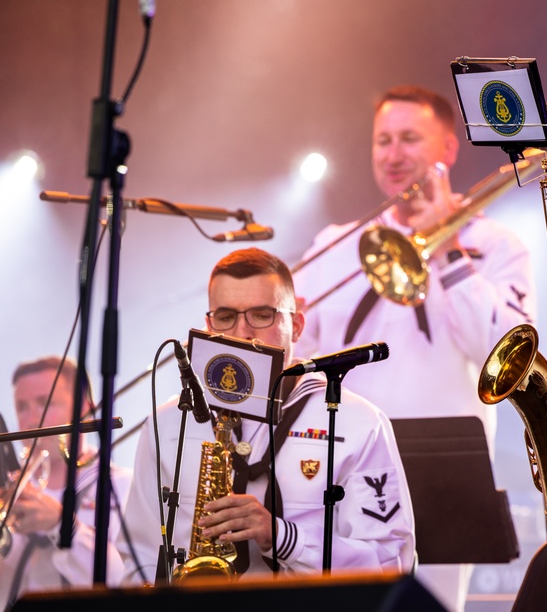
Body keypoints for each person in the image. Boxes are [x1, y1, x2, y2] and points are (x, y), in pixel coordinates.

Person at [294, 85, 536, 611]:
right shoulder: (335, 244)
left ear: (447, 150)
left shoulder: (497, 246)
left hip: (442, 476)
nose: (394, 154)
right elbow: (295, 358)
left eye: (409, 138)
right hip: (338, 467)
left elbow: (506, 355)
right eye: (383, 140)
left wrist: (447, 250)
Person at [119, 248, 415, 582]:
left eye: (262, 315)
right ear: (208, 324)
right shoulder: (169, 421)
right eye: (226, 316)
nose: (243, 333)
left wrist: (285, 539)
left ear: (297, 325)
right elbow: (138, 557)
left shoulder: (359, 422)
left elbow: (392, 564)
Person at [0, 356, 131, 608]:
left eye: (45, 403)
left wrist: (63, 526)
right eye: (22, 407)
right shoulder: (8, 489)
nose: (32, 420)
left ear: (85, 408)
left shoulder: (122, 485)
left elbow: (127, 581)